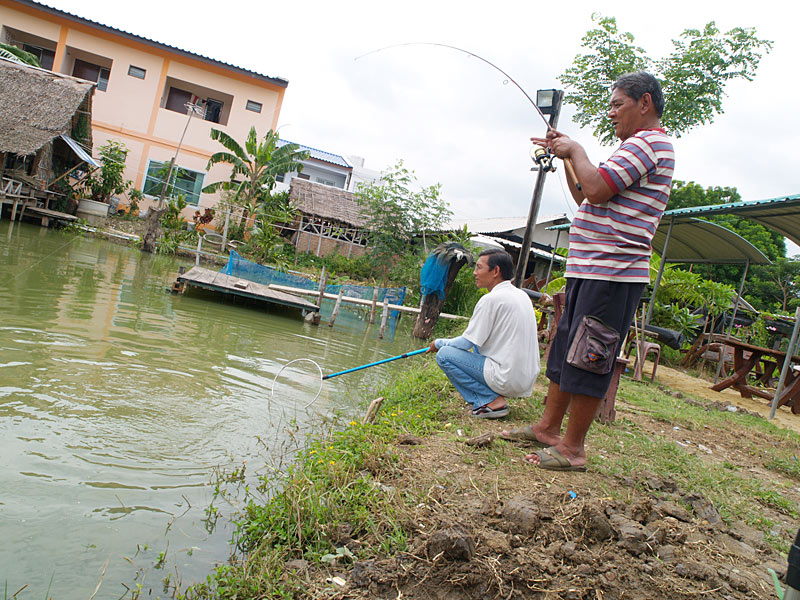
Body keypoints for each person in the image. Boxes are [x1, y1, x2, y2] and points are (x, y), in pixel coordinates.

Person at [507, 71, 675, 470]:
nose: (612, 112)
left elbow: (597, 187)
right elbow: (586, 194)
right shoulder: (633, 146)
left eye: (618, 104)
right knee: (567, 347)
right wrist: (567, 157)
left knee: (590, 354)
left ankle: (573, 448)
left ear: (644, 103)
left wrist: (578, 148)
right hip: (591, 267)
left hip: (614, 272)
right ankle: (548, 428)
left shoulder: (651, 143)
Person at [427, 248, 540, 419]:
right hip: (525, 380)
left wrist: (438, 343)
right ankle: (491, 397)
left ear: (495, 271)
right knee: (478, 348)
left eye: (479, 268)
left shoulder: (490, 299)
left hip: (506, 378)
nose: (474, 273)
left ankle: (489, 400)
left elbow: (465, 344)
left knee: (444, 355)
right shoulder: (521, 295)